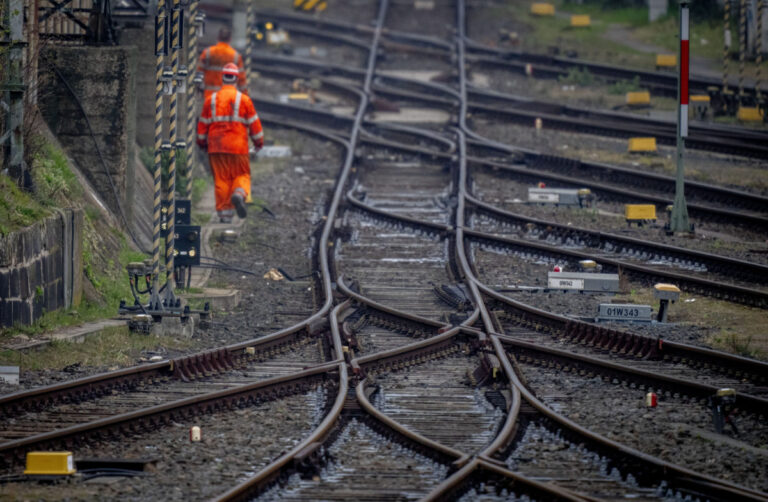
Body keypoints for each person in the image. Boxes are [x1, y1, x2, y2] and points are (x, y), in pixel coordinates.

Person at [197, 63, 264, 223]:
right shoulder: (244, 100)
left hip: (216, 147)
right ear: (236, 78)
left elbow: (202, 126)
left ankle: (225, 216)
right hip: (238, 147)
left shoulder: (210, 100)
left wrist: (202, 144)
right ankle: (239, 194)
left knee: (221, 180)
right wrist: (258, 143)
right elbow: (255, 125)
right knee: (242, 175)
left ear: (223, 78)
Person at [197, 28, 247, 100]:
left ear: (218, 38)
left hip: (209, 95)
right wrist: (245, 97)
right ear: (230, 39)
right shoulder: (235, 56)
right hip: (227, 97)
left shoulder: (208, 52)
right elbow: (242, 80)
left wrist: (198, 89)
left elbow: (199, 73)